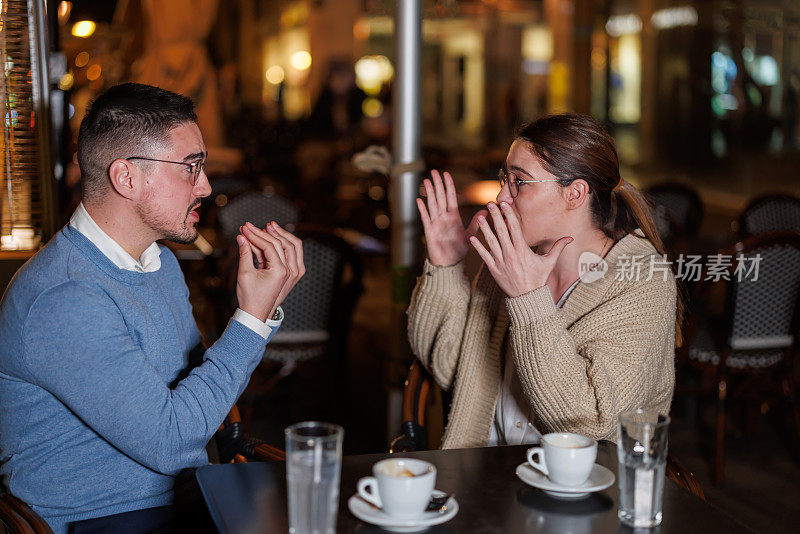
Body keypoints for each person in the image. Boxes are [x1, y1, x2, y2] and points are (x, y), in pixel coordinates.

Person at [0, 83, 304, 533]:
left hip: (183, 499)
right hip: (103, 519)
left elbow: (199, 391)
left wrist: (264, 307)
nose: (205, 185)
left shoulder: (156, 262)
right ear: (126, 177)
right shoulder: (63, 298)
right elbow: (174, 442)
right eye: (191, 167)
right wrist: (250, 322)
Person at [407, 113, 677, 449]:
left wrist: (529, 300)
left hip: (585, 491)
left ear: (575, 194)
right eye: (505, 178)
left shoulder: (640, 281)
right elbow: (452, 368)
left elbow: (592, 422)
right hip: (486, 479)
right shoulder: (512, 257)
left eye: (519, 182)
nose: (502, 197)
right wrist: (445, 265)